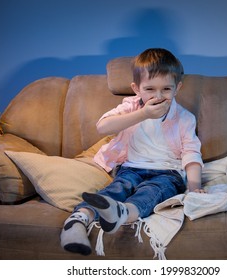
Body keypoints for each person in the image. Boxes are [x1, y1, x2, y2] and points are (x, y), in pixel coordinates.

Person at [60, 48, 204, 255]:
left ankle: (123, 213)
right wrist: (143, 113)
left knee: (153, 192)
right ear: (136, 89)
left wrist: (194, 186)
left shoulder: (185, 118)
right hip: (131, 168)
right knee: (117, 188)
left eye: (166, 89)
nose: (158, 96)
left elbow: (191, 152)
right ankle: (77, 221)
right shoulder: (130, 107)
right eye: (150, 89)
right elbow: (103, 127)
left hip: (168, 173)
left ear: (177, 88)